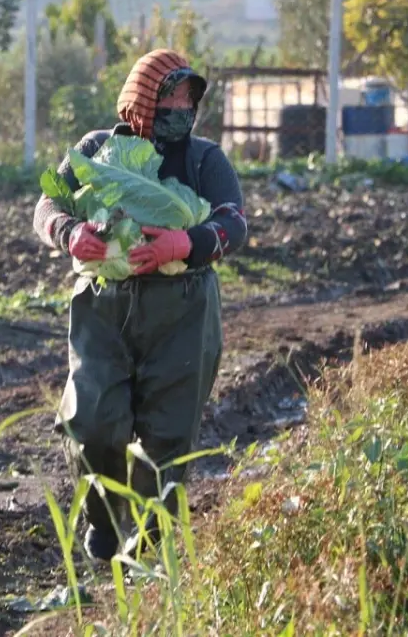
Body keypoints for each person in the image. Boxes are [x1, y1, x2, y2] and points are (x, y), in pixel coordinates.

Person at [32, 49, 248, 561]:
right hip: (104, 307)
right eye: (170, 96)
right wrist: (68, 232)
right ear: (141, 99)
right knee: (92, 422)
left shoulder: (204, 160)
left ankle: (148, 553)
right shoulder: (96, 150)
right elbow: (46, 205)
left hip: (183, 311)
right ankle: (104, 520)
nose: (181, 108)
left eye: (188, 99)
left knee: (167, 439)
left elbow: (234, 222)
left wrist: (186, 244)